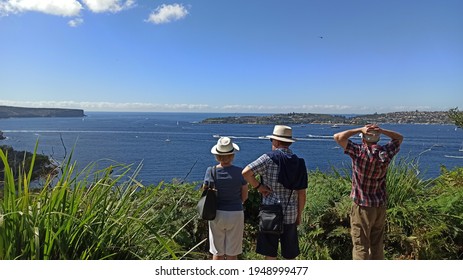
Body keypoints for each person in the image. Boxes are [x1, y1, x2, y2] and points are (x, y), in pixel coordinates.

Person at [333, 124, 403, 260]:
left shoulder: (359, 152)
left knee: (361, 245)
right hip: (379, 206)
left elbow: (338, 137)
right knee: (377, 244)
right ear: (377, 139)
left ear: (363, 139)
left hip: (362, 206)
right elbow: (399, 138)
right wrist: (381, 130)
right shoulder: (385, 152)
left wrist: (360, 129)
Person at [242, 125, 307, 260]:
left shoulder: (268, 159)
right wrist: (299, 215)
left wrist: (259, 187)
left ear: (276, 142)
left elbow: (246, 173)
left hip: (270, 213)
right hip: (291, 214)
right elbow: (302, 193)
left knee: (270, 255)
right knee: (289, 256)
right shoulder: (299, 163)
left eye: (272, 140)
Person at [203, 137, 248, 260]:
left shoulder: (210, 171)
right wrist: (238, 203)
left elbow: (205, 191)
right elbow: (244, 196)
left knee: (217, 252)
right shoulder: (240, 172)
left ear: (217, 156)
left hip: (216, 213)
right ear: (232, 155)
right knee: (232, 253)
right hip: (235, 213)